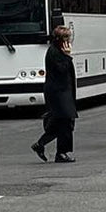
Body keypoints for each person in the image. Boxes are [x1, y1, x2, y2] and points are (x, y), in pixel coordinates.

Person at [31, 25, 77, 163]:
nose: (69, 40)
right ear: (60, 39)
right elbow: (61, 70)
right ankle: (61, 153)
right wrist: (68, 56)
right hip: (58, 92)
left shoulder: (57, 50)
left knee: (61, 122)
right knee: (65, 121)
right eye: (67, 37)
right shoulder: (55, 52)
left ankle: (41, 144)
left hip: (63, 91)